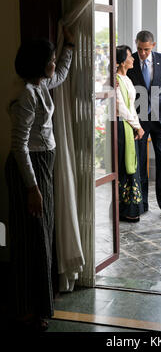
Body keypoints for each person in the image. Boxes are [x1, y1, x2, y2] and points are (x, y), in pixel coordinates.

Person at [5, 28, 75, 332]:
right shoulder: (26, 96)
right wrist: (33, 188)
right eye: (51, 58)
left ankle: (36, 305)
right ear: (39, 63)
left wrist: (69, 45)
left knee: (40, 237)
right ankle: (23, 310)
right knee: (29, 239)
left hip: (41, 166)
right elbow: (18, 146)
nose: (54, 62)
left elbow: (60, 75)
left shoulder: (41, 84)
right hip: (28, 170)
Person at [127, 30, 161, 220]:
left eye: (146, 50)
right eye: (139, 49)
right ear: (136, 45)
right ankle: (142, 204)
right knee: (140, 161)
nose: (142, 53)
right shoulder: (130, 60)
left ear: (153, 46)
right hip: (139, 119)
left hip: (160, 117)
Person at [116, 45, 144, 223]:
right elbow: (121, 108)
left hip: (129, 125)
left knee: (131, 167)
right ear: (121, 61)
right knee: (124, 168)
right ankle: (123, 209)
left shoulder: (127, 79)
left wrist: (137, 126)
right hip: (121, 126)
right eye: (129, 56)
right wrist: (136, 126)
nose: (133, 58)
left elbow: (131, 107)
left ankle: (131, 208)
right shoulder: (115, 80)